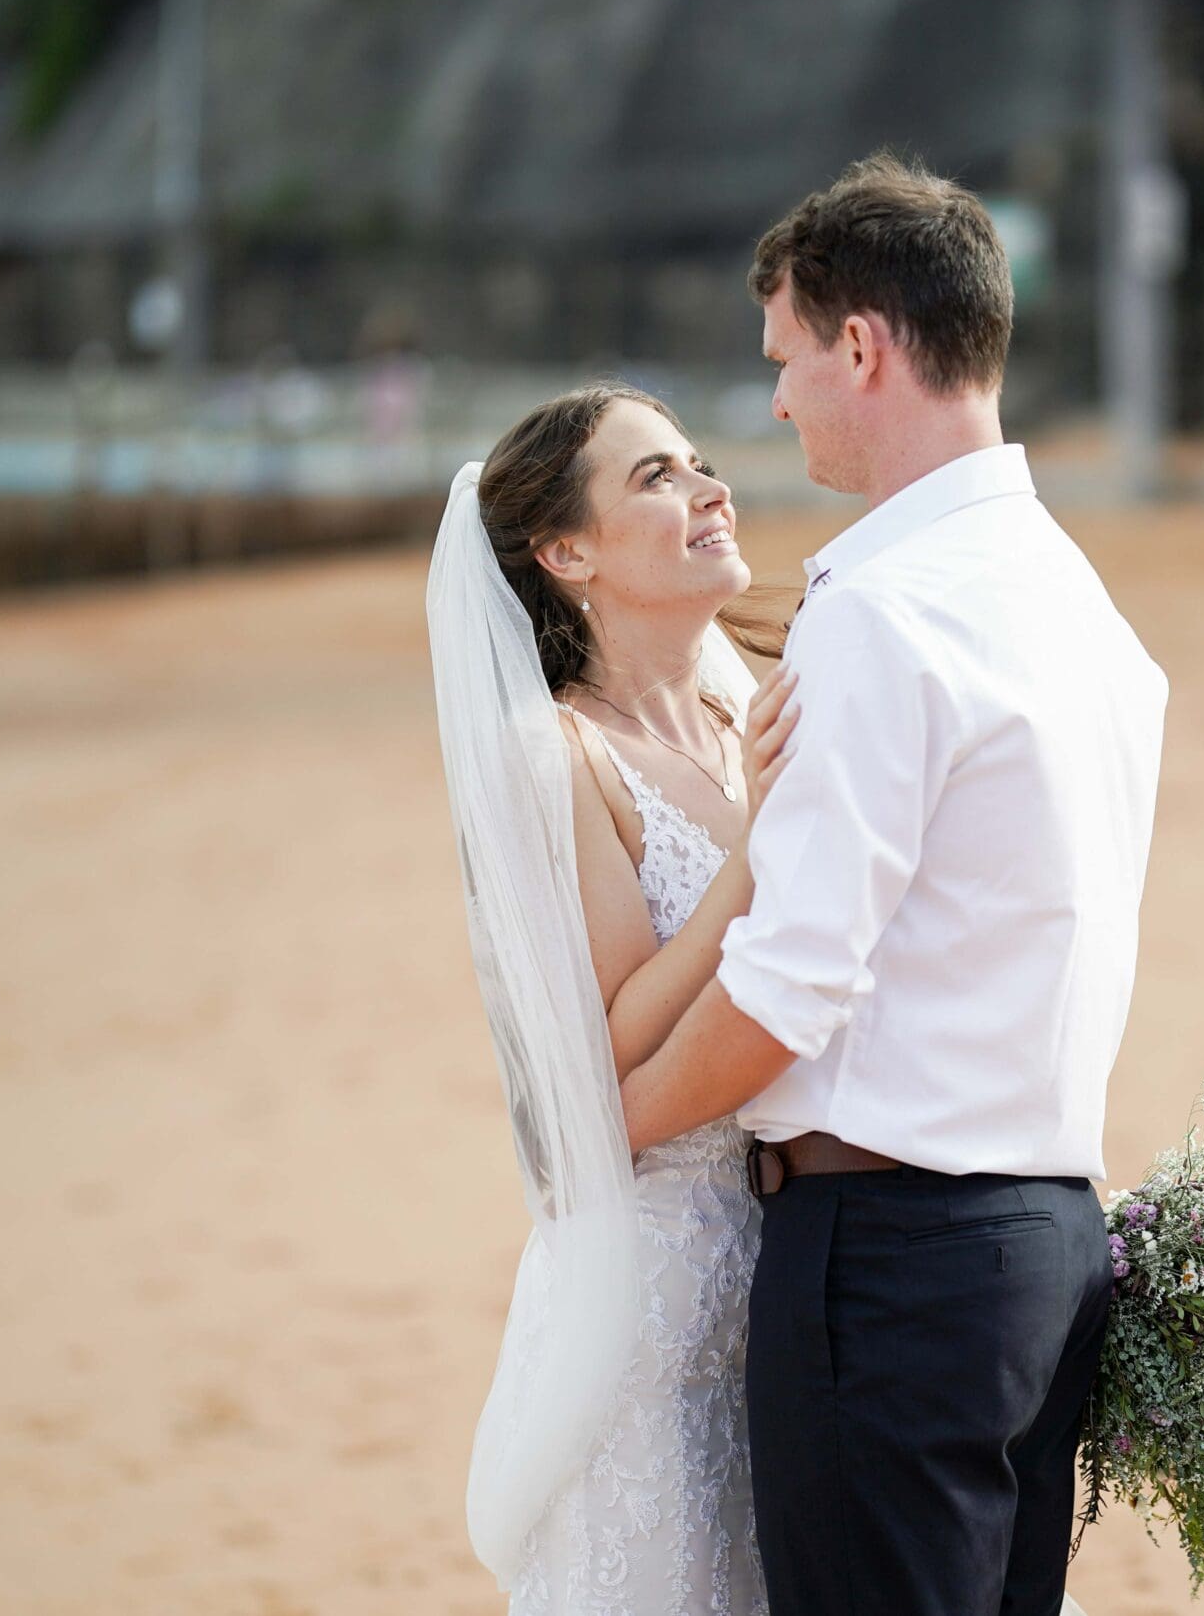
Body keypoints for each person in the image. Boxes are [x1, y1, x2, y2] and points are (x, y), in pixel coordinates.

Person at [617, 152, 1169, 1616]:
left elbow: (788, 990)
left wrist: (600, 1121)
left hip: (893, 1263)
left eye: (787, 356)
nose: (780, 398)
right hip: (1050, 1248)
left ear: (861, 343)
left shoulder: (880, 610)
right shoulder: (1089, 613)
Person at [424, 380, 798, 1615]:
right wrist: (753, 859)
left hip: (806, 1269)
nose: (707, 487)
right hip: (657, 1297)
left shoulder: (752, 705)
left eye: (696, 462)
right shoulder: (560, 755)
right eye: (654, 476)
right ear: (565, 552)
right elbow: (603, 1046)